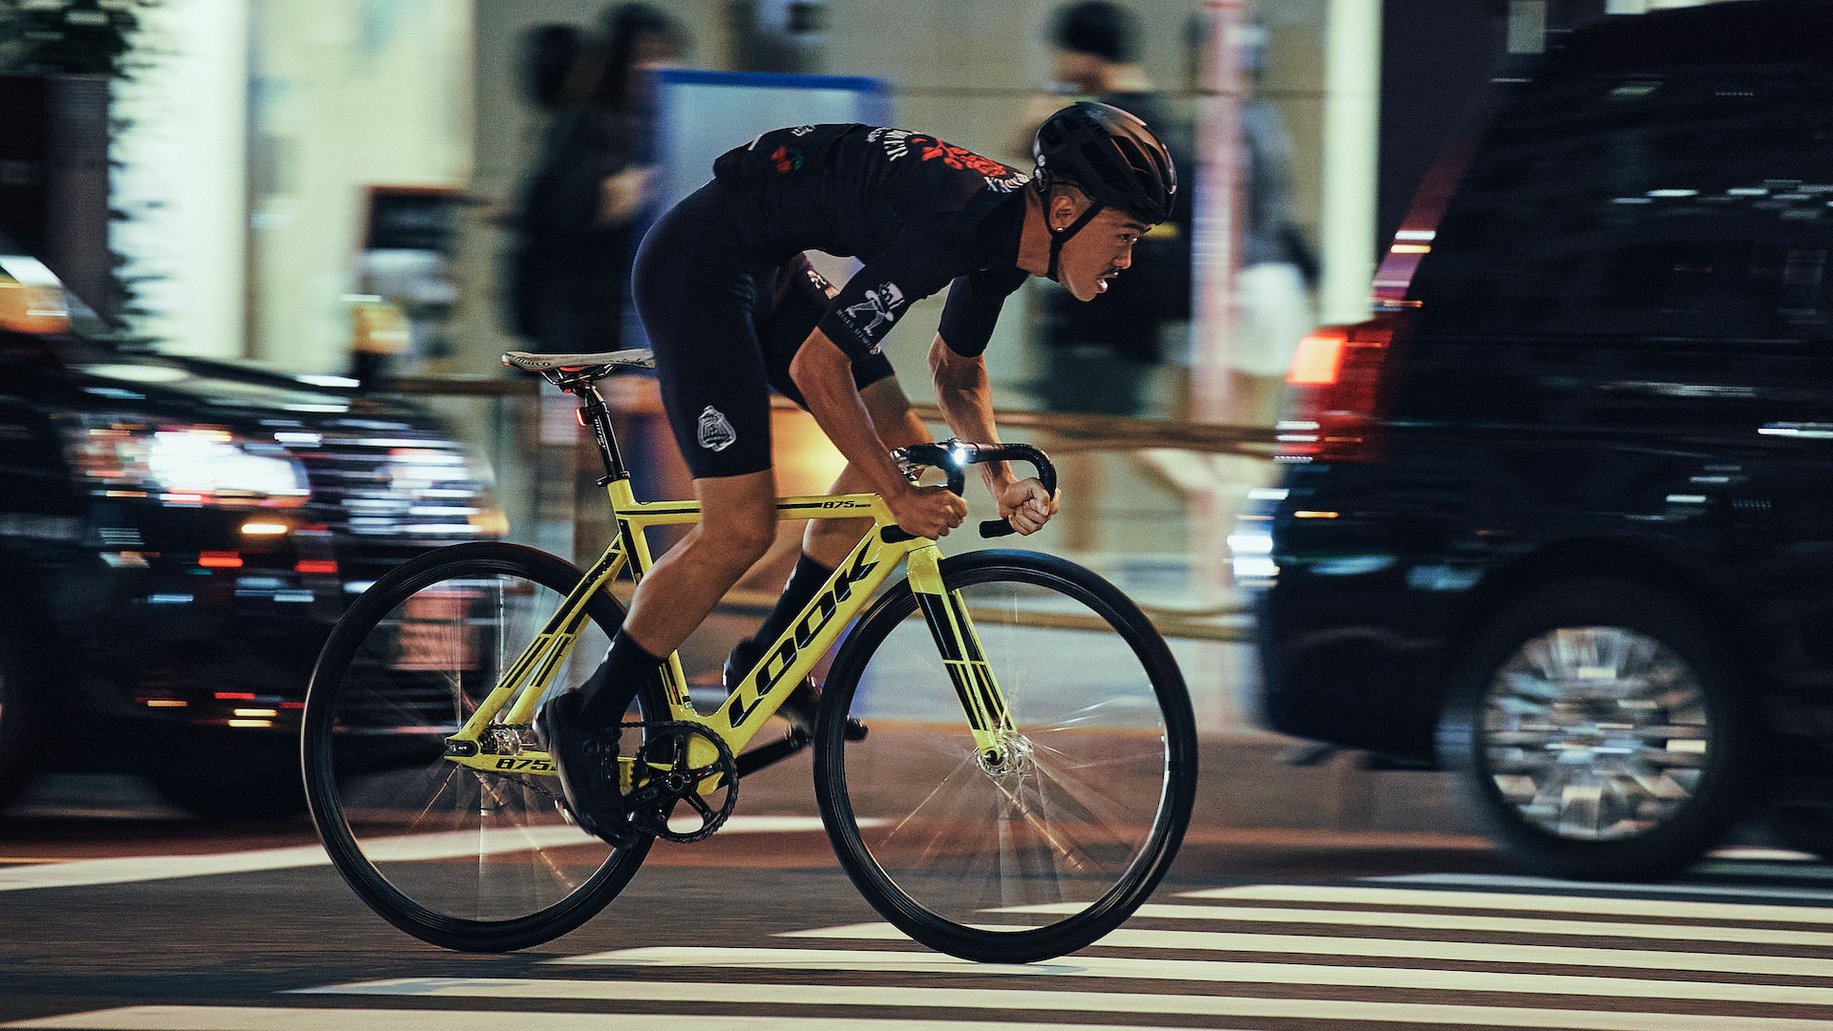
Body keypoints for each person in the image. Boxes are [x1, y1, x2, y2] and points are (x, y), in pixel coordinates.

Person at [537, 102, 1178, 846]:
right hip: (700, 264)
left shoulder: (1006, 236)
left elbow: (956, 371)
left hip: (769, 266)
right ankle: (584, 714)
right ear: (1066, 209)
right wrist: (896, 497)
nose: (1127, 259)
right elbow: (821, 367)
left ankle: (769, 656)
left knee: (910, 448)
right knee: (742, 526)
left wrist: (1001, 481)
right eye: (1125, 235)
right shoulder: (957, 223)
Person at [1033, 1, 1195, 417]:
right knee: (1110, 427)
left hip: (1100, 306)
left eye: (1061, 54)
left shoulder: (1099, 123)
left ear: (1085, 55)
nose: (1057, 65)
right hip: (1139, 310)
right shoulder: (1159, 119)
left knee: (1076, 429)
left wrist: (1052, 95)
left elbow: (1025, 141)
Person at [504, 4, 685, 355]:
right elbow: (586, 202)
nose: (656, 69)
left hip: (629, 323)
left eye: (664, 55)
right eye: (644, 57)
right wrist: (664, 179)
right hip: (580, 326)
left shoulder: (656, 128)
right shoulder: (586, 124)